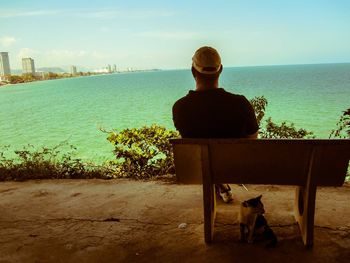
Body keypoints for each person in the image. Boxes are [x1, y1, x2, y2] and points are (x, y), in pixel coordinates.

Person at [172, 46, 259, 203]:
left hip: (198, 171)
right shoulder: (241, 104)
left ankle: (219, 184)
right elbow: (253, 141)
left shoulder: (180, 107)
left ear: (193, 72)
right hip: (239, 171)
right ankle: (221, 183)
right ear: (221, 70)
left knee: (207, 158)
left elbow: (191, 146)